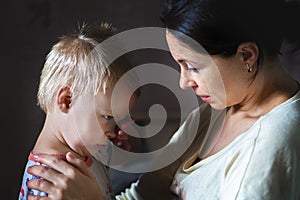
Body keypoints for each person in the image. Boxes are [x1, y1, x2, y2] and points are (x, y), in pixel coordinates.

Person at [25, 0, 300, 199]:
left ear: (246, 56)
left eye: (192, 65)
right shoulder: (216, 111)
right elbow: (145, 195)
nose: (183, 82)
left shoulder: (273, 144)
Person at [18, 22, 139, 200]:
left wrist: (128, 150)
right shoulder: (49, 182)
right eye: (108, 117)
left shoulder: (86, 147)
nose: (117, 132)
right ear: (66, 101)